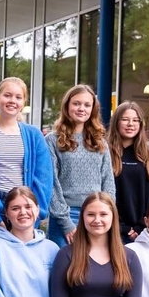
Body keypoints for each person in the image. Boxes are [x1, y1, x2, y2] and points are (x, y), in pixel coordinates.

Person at [0, 78, 53, 235]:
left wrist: (36, 213)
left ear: (23, 102)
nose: (12, 101)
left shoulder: (34, 135)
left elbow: (44, 177)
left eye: (18, 97)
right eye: (7, 95)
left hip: (24, 206)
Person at [45, 85, 115, 247]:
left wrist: (107, 214)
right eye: (76, 103)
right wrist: (65, 222)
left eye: (87, 105)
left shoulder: (100, 142)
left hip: (95, 216)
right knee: (65, 268)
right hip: (65, 215)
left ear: (93, 109)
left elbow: (108, 182)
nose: (81, 108)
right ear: (67, 105)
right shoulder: (52, 140)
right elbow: (51, 183)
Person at [108, 102, 149, 242]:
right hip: (110, 229)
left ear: (141, 125)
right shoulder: (104, 154)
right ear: (116, 122)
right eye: (125, 119)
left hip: (145, 232)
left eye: (136, 120)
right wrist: (120, 226)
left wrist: (141, 225)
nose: (131, 124)